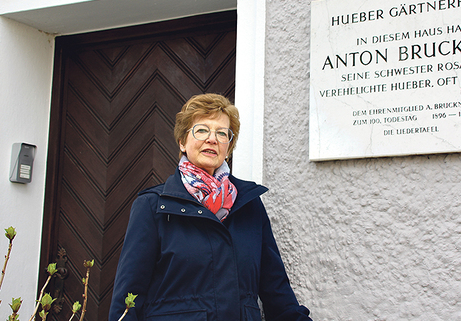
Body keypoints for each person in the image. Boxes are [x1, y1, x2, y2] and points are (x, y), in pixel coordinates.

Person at [109, 93, 312, 321]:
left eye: (222, 133)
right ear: (182, 142)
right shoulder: (153, 207)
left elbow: (277, 292)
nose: (212, 139)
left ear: (229, 146)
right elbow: (128, 300)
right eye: (202, 130)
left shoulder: (248, 204)